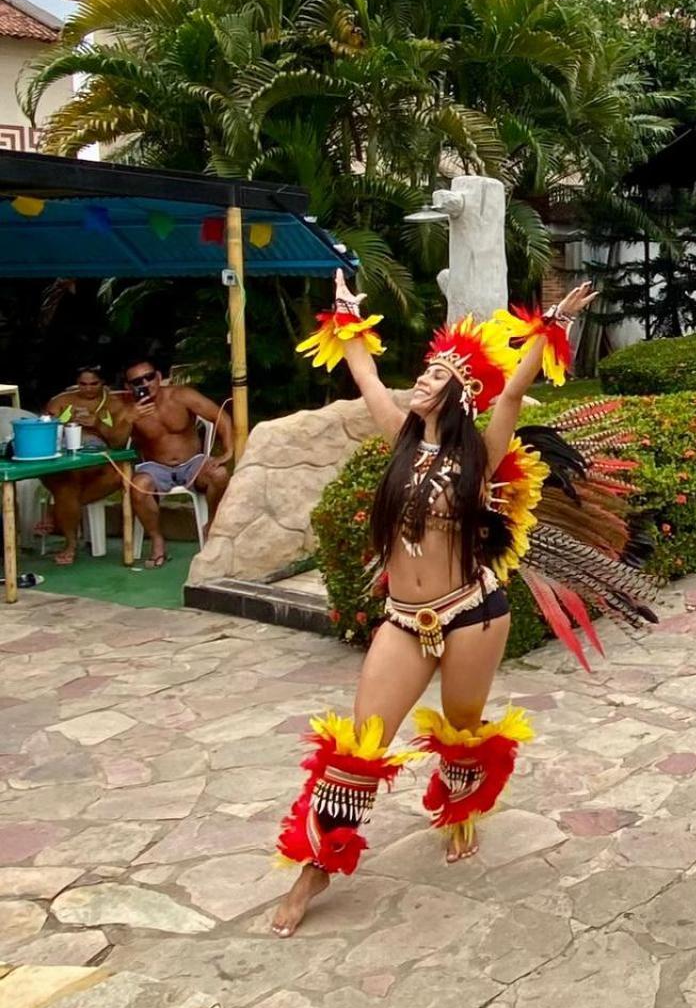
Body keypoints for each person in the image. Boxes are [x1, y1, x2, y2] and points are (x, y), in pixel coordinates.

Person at [271, 272, 659, 937]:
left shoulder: (481, 452)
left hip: (472, 614)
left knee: (461, 728)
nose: (423, 379)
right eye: (425, 369)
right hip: (402, 620)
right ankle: (315, 866)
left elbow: (512, 391)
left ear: (460, 394)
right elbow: (364, 373)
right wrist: (346, 318)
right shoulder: (400, 435)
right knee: (359, 745)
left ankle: (458, 809)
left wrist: (549, 327)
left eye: (438, 374)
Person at [122, 358, 233, 569]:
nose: (145, 384)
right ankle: (157, 540)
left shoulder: (181, 395)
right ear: (129, 387)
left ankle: (212, 525)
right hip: (155, 467)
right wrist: (128, 420)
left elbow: (220, 417)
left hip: (192, 462)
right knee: (138, 489)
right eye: (137, 381)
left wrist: (228, 451)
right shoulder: (128, 410)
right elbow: (116, 443)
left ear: (158, 377)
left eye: (149, 377)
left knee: (219, 475)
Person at [42, 365, 131, 565]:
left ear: (103, 384)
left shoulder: (114, 405)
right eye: (83, 384)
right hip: (63, 456)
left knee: (69, 489)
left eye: (94, 384)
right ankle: (69, 539)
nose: (88, 389)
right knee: (66, 480)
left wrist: (97, 424)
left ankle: (59, 516)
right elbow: (44, 426)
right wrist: (62, 422)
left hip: (98, 458)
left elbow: (119, 441)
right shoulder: (62, 401)